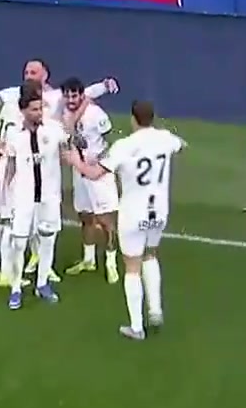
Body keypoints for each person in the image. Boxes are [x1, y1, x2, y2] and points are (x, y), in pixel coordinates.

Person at [0, 59, 118, 283]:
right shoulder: (17, 96)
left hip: (39, 164)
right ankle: (7, 270)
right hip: (19, 163)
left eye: (33, 72)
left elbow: (82, 94)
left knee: (28, 218)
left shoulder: (51, 97)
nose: (28, 75)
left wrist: (104, 86)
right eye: (26, 71)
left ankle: (30, 265)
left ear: (44, 75)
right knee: (13, 219)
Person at [66, 99, 185, 339]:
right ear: (153, 117)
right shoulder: (165, 138)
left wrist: (75, 161)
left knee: (132, 265)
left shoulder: (124, 146)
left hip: (134, 212)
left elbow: (94, 173)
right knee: (150, 254)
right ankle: (155, 310)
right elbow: (181, 144)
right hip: (159, 210)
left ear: (133, 119)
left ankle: (136, 327)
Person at [1, 84, 71, 309]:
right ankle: (16, 288)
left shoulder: (54, 129)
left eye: (40, 108)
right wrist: (5, 193)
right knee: (19, 242)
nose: (38, 113)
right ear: (23, 111)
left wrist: (73, 147)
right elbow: (11, 165)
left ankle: (42, 283)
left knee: (48, 238)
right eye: (33, 109)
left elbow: (67, 146)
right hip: (24, 196)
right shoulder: (14, 134)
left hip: (49, 195)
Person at [60, 77, 120, 283]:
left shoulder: (96, 114)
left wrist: (101, 158)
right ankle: (88, 260)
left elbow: (112, 139)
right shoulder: (65, 115)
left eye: (74, 96)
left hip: (99, 173)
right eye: (67, 96)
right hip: (79, 171)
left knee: (106, 220)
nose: (70, 100)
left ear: (81, 95)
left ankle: (111, 264)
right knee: (85, 216)